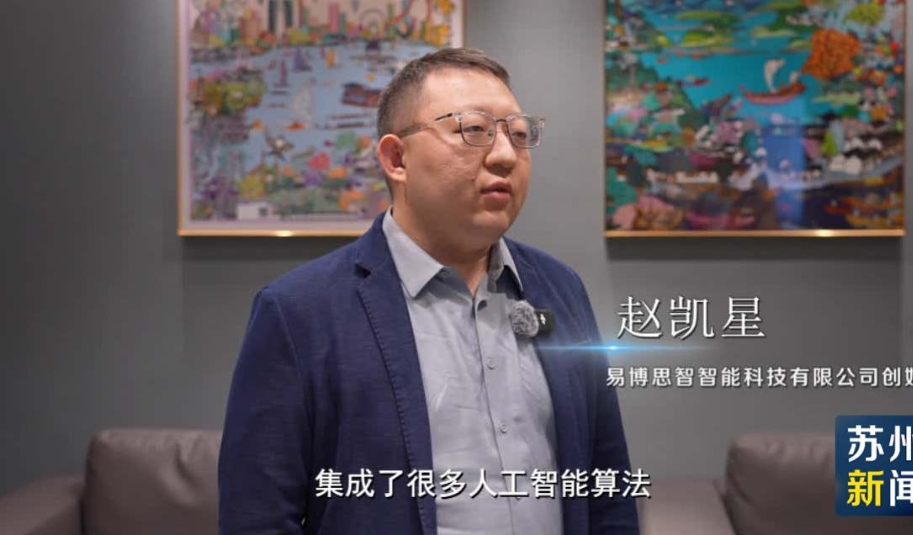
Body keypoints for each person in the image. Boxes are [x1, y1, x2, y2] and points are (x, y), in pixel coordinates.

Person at [219, 48, 639, 535]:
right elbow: (258, 517)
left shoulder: (560, 289)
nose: (505, 155)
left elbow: (608, 487)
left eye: (519, 135)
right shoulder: (299, 312)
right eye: (474, 129)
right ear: (397, 158)